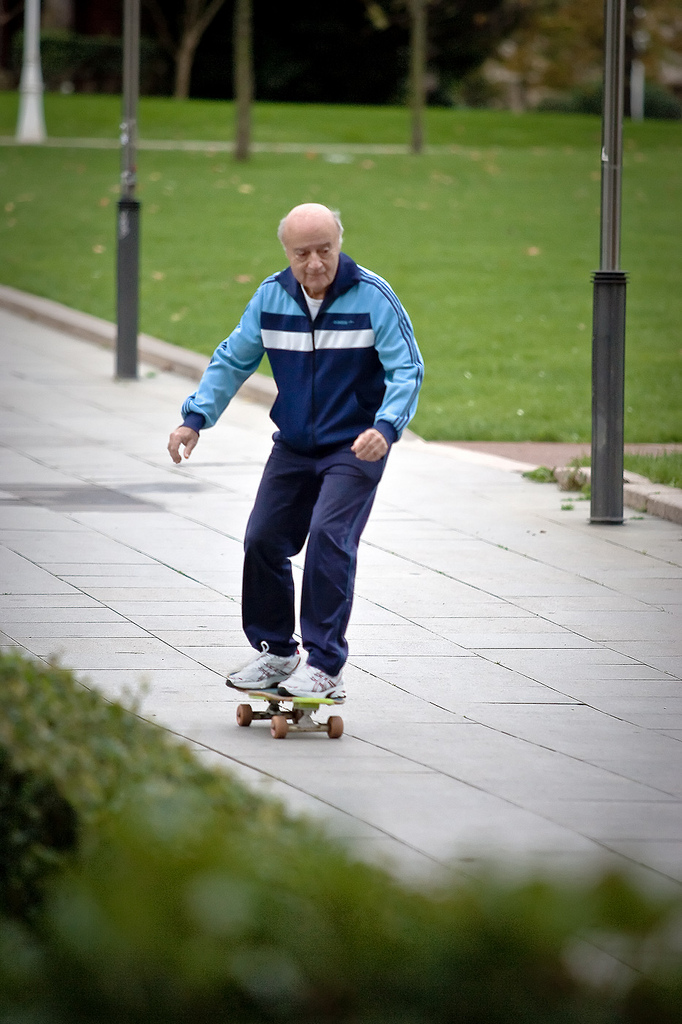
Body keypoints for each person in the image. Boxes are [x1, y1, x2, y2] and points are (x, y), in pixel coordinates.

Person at [168, 203, 423, 699]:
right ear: (286, 252)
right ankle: (278, 652)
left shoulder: (373, 297)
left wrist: (387, 427)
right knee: (262, 539)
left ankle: (325, 664)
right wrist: (194, 418)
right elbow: (232, 359)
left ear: (339, 245)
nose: (314, 264)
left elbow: (407, 369)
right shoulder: (271, 298)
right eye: (302, 253)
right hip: (294, 445)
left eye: (324, 250)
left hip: (356, 446)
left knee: (330, 537)